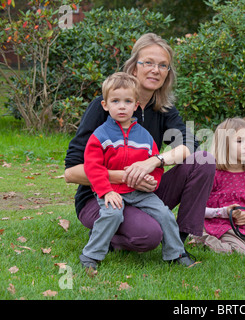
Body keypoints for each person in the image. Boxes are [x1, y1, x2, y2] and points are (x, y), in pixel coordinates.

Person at [64, 33, 215, 260]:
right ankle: (108, 236)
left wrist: (153, 161)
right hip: (102, 195)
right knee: (148, 236)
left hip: (144, 192)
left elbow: (189, 144)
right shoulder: (105, 107)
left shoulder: (163, 109)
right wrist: (126, 177)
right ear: (134, 67)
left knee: (203, 160)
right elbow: (71, 172)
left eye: (163, 65)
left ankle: (178, 244)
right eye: (149, 63)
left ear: (167, 73)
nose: (156, 70)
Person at [80, 72, 194, 269]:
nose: (122, 106)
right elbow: (92, 167)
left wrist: (153, 182)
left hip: (140, 193)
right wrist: (105, 191)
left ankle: (176, 254)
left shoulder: (145, 137)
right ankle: (91, 256)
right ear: (105, 105)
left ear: (135, 105)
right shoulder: (100, 135)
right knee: (112, 215)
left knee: (165, 214)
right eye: (115, 101)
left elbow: (156, 164)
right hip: (112, 190)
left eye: (127, 101)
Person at [194, 118, 245, 255]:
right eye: (239, 141)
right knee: (242, 254)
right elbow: (197, 209)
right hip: (219, 224)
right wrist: (223, 212)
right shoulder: (213, 174)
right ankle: (200, 236)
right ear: (224, 145)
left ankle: (240, 241)